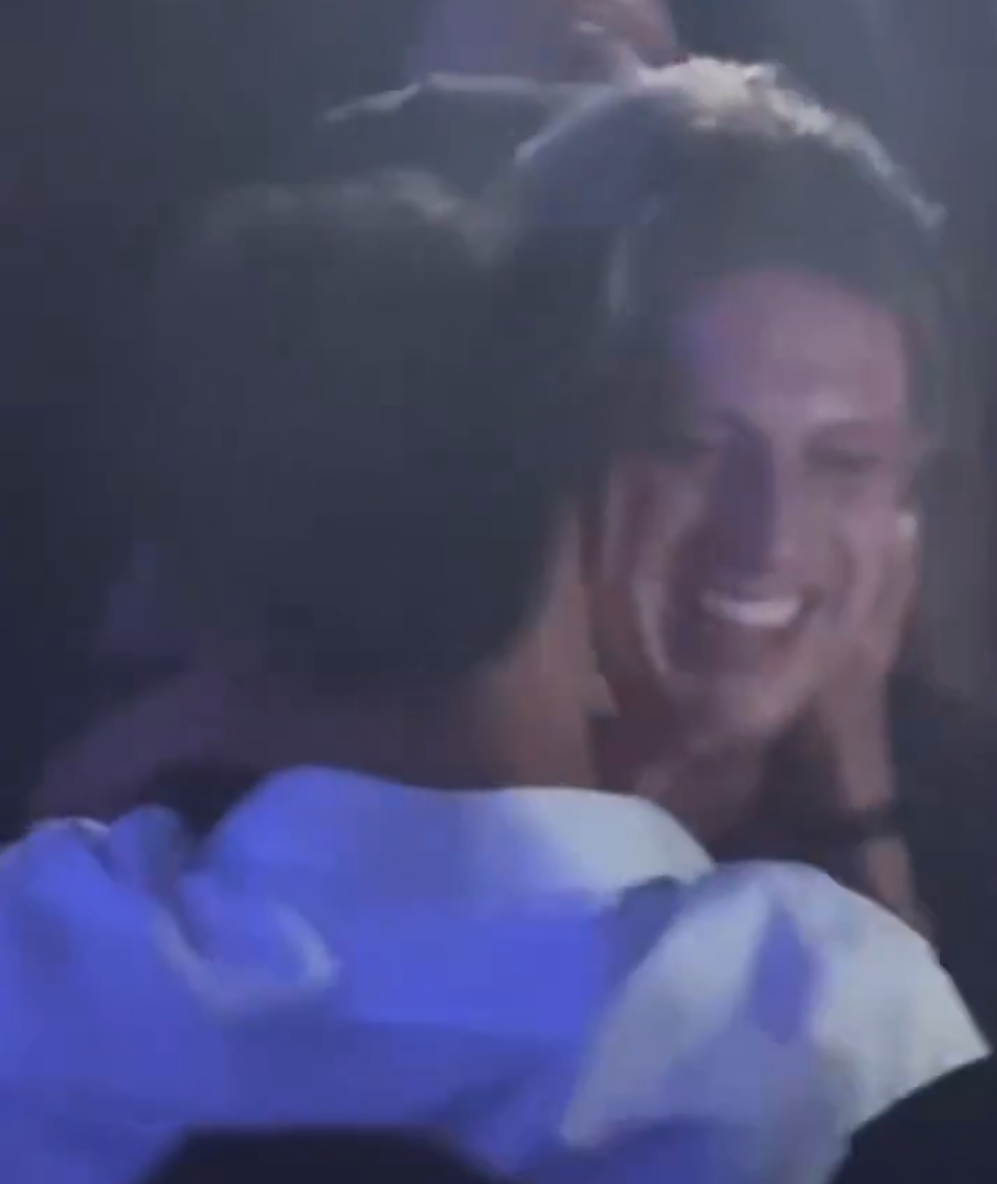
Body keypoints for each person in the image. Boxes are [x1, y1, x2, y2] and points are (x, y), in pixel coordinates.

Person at [0, 164, 983, 1181]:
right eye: (689, 445)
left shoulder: (37, 950)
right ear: (581, 518)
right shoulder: (819, 1009)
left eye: (844, 463)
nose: (764, 539)